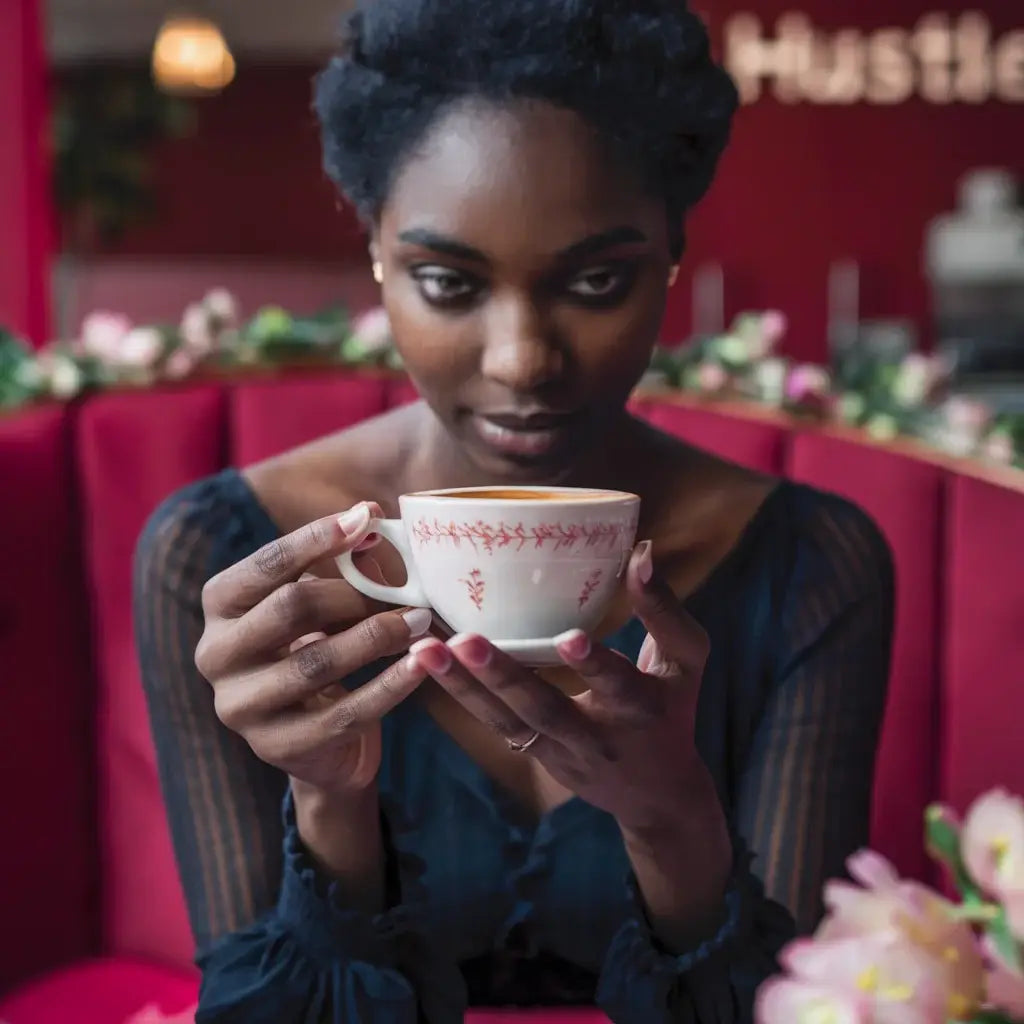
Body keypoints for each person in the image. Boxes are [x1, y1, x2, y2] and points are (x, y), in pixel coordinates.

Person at [133, 0, 895, 1020]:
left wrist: (673, 818)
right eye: (448, 281)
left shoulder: (810, 565)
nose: (521, 359)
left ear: (671, 253)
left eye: (597, 279)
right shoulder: (222, 558)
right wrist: (328, 799)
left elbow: (805, 1010)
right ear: (375, 254)